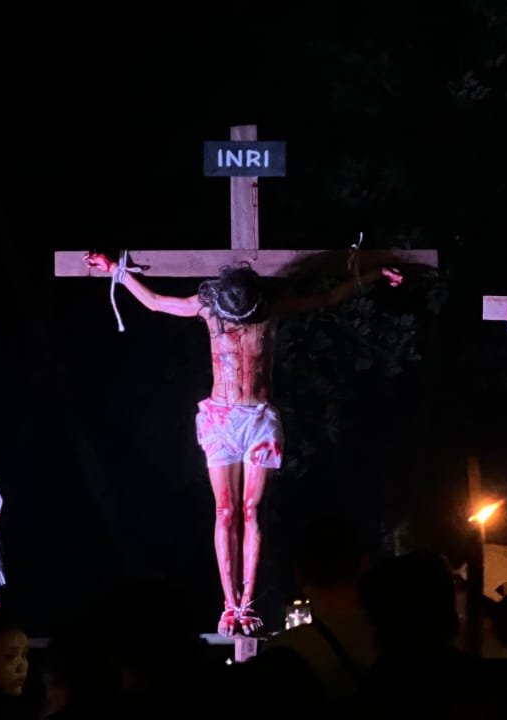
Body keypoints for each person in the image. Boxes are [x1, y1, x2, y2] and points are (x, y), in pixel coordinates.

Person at [83, 254, 402, 636]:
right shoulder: (209, 310)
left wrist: (374, 274)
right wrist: (114, 270)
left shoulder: (271, 309)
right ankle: (229, 603)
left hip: (258, 419)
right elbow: (155, 302)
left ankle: (246, 602)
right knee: (225, 510)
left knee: (251, 510)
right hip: (221, 418)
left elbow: (328, 298)